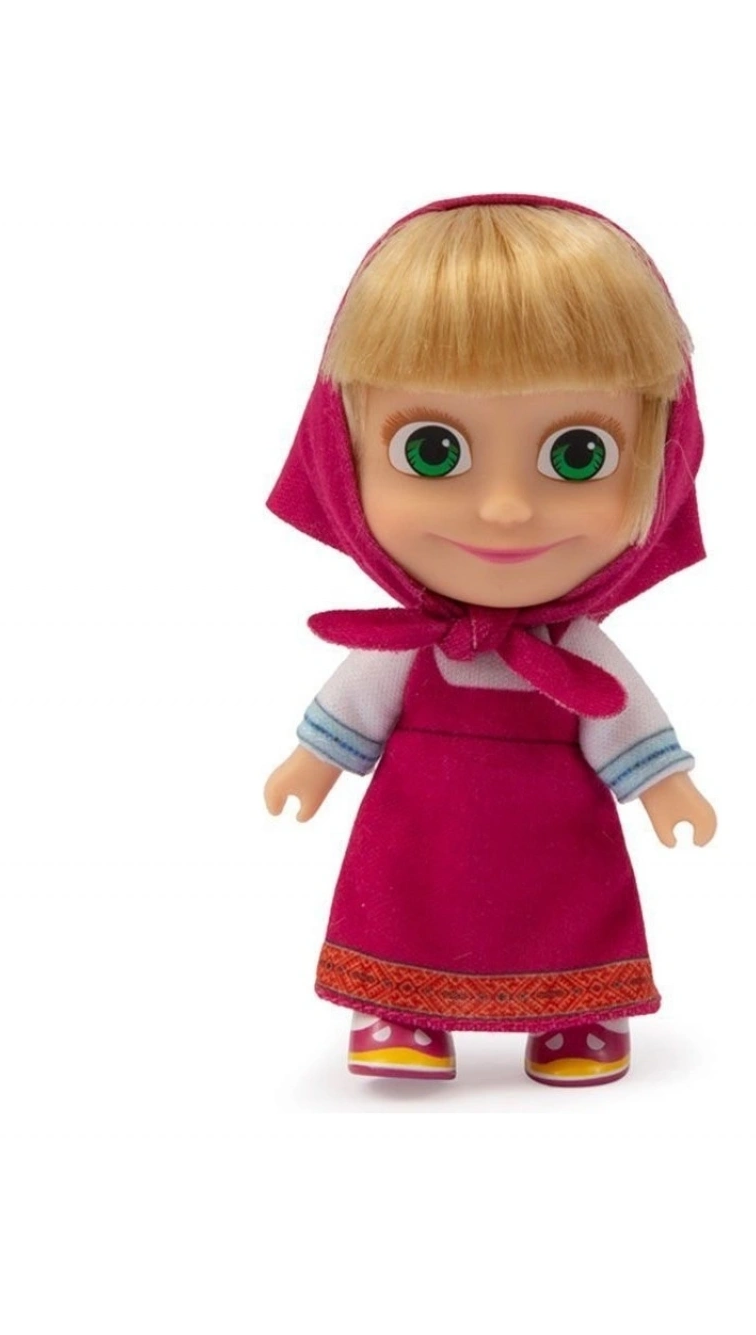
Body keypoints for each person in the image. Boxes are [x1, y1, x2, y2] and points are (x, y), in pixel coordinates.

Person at [264, 193, 717, 1087]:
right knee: (403, 903)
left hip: (554, 828)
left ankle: (577, 1010)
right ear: (341, 453)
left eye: (578, 455)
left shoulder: (578, 651)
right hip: (420, 827)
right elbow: (350, 709)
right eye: (433, 451)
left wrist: (666, 786)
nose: (506, 509)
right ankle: (400, 1006)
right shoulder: (406, 648)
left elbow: (624, 720)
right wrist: (309, 765)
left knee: (572, 903)